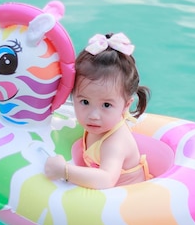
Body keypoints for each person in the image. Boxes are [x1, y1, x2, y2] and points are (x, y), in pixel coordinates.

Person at [45, 32, 151, 189]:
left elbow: (106, 180)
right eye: (85, 102)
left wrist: (64, 171)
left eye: (106, 105)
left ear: (126, 105)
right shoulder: (98, 124)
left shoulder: (115, 142)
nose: (93, 115)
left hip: (129, 201)